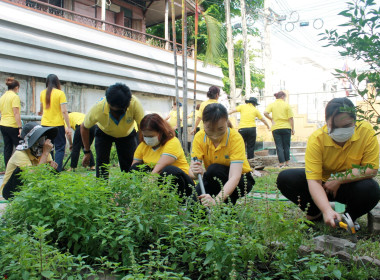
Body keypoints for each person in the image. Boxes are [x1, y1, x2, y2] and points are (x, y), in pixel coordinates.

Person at [277, 97, 380, 228]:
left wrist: (339, 179)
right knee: (286, 178)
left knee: (371, 189)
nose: (341, 130)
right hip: (322, 186)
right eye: (335, 126)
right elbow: (314, 181)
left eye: (347, 125)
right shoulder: (317, 139)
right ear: (326, 122)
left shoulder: (365, 131)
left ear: (355, 120)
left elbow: (370, 169)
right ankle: (316, 213)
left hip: (349, 185)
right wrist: (327, 210)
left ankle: (349, 218)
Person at [190, 103, 255, 206]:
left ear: (226, 122)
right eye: (210, 129)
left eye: (220, 129)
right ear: (203, 123)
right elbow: (192, 173)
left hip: (241, 181)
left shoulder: (235, 138)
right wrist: (194, 171)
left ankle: (226, 208)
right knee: (193, 205)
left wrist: (216, 201)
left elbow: (234, 177)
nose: (215, 134)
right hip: (213, 176)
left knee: (214, 169)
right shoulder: (199, 137)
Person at [81, 83, 144, 179]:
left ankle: (129, 189)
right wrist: (87, 151)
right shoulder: (98, 108)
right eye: (115, 112)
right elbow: (84, 127)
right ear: (108, 103)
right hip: (104, 133)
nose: (117, 115)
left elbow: (142, 126)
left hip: (126, 134)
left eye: (121, 112)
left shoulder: (134, 104)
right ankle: (102, 191)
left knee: (129, 165)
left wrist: (142, 150)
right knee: (102, 165)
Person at [130, 113, 194, 196]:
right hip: (158, 181)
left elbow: (159, 169)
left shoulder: (172, 142)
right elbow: (133, 168)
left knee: (169, 171)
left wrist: (148, 183)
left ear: (161, 132)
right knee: (136, 168)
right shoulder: (143, 146)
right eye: (145, 136)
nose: (148, 139)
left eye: (151, 136)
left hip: (182, 184)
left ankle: (180, 204)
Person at [0, 122, 58, 200]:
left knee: (51, 170)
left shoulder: (43, 152)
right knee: (19, 171)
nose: (43, 141)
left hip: (29, 189)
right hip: (9, 192)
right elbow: (33, 176)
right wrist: (45, 153)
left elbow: (44, 172)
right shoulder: (20, 153)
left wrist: (51, 166)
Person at [38, 74, 72, 172]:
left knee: (48, 147)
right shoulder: (60, 93)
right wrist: (68, 126)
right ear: (57, 82)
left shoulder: (42, 93)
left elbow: (41, 109)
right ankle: (56, 171)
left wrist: (41, 112)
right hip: (57, 125)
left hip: (44, 124)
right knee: (60, 148)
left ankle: (48, 169)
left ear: (47, 82)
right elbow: (64, 111)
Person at [264, 91, 294, 168]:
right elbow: (291, 118)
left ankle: (281, 164)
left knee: (279, 146)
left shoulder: (272, 105)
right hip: (286, 127)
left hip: (276, 128)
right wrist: (293, 129)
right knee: (286, 146)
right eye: (285, 98)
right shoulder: (287, 105)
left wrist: (271, 119)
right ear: (282, 97)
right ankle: (287, 163)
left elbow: (265, 113)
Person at [0, 77, 23, 167]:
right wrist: (20, 127)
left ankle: (7, 169)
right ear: (16, 87)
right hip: (12, 125)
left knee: (7, 147)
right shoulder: (14, 97)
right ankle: (19, 168)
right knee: (19, 147)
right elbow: (16, 113)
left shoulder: (2, 96)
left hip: (3, 124)